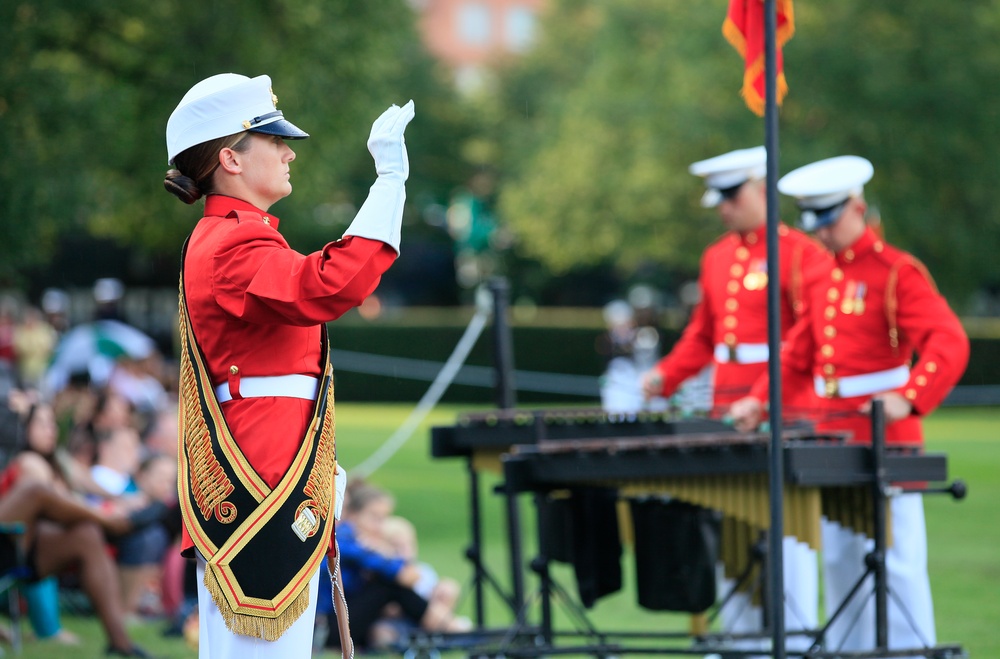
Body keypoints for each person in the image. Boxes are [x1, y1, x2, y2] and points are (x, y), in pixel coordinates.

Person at [164, 71, 413, 657]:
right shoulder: (229, 242)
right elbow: (325, 286)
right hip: (259, 475)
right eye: (273, 141)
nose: (287, 152)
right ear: (230, 158)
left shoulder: (244, 235)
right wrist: (390, 183)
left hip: (271, 465)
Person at [730, 155, 969, 657]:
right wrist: (758, 399)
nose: (823, 233)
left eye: (831, 219)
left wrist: (909, 397)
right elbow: (799, 351)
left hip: (888, 444)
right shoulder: (822, 276)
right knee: (840, 561)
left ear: (858, 207)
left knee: (896, 564)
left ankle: (906, 652)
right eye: (814, 221)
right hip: (832, 438)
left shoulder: (896, 271)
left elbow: (948, 341)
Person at [639, 146, 830, 652]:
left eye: (732, 195)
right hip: (727, 409)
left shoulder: (801, 254)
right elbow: (704, 335)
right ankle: (743, 642)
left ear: (761, 188)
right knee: (732, 533)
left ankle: (794, 639)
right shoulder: (718, 256)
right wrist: (665, 375)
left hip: (782, 409)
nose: (724, 208)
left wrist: (765, 399)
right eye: (719, 199)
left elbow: (807, 341)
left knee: (788, 537)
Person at [324, 482, 469, 652]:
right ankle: (449, 629)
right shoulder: (346, 540)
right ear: (354, 516)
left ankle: (444, 628)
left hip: (344, 622)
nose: (380, 526)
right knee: (388, 584)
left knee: (389, 586)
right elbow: (406, 575)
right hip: (328, 628)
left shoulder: (351, 538)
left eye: (384, 519)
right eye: (375, 518)